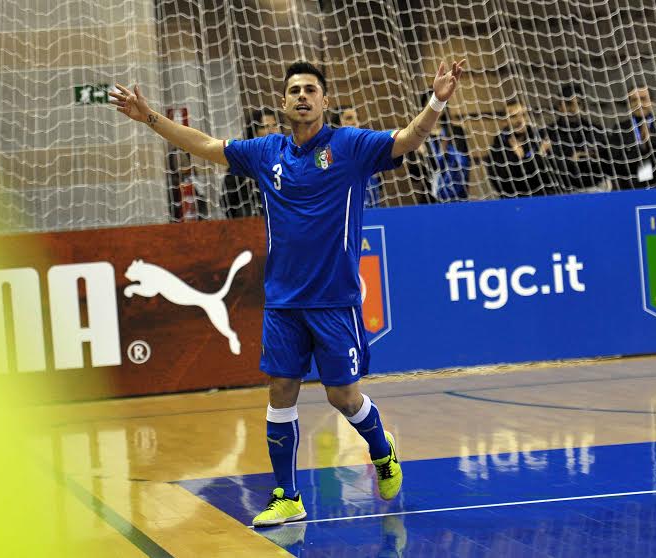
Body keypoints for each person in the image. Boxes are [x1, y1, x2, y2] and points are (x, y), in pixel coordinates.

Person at [110, 58, 464, 527]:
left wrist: (436, 100)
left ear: (324, 100)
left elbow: (408, 139)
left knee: (344, 398)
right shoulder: (266, 152)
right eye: (294, 90)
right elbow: (206, 145)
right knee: (280, 391)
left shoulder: (351, 146)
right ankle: (288, 496)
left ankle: (382, 449)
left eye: (310, 90)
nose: (302, 96)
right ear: (282, 102)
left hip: (334, 301)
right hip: (282, 302)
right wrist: (150, 118)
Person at [609, 84, 656, 190]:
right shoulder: (620, 128)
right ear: (629, 104)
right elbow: (616, 164)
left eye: (643, 99)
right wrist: (641, 149)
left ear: (651, 101)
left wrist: (651, 143)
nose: (639, 104)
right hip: (632, 188)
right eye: (634, 100)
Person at [485, 97, 560, 198]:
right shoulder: (498, 147)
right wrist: (520, 158)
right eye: (513, 116)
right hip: (513, 202)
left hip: (543, 199)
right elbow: (503, 183)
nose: (519, 120)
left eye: (523, 115)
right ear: (504, 121)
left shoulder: (541, 139)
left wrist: (528, 159)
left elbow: (551, 177)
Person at [546, 83, 612, 192]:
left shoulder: (596, 131)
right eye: (568, 104)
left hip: (595, 189)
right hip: (562, 191)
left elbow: (608, 165)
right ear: (559, 106)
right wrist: (572, 162)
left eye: (578, 104)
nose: (573, 109)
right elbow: (549, 170)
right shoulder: (548, 133)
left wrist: (591, 159)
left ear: (583, 107)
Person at [221, 108, 280, 217]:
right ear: (254, 131)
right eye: (264, 126)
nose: (272, 131)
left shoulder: (288, 158)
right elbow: (227, 202)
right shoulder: (241, 162)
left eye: (275, 125)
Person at [331, 105, 383, 208]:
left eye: (357, 119)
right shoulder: (324, 151)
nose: (355, 122)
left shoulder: (368, 151)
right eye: (349, 118)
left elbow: (378, 187)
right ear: (337, 124)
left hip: (371, 211)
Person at [421, 119, 471, 202]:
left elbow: (438, 164)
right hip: (445, 197)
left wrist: (425, 153)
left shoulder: (453, 155)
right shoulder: (462, 158)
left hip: (449, 197)